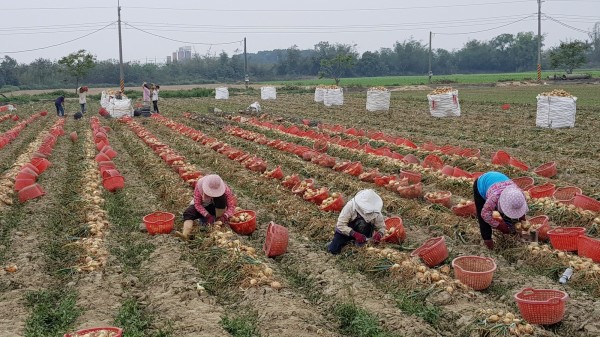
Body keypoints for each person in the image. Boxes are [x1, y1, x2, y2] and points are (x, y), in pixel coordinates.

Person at [474, 171, 529, 250]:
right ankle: (490, 247)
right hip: (481, 184)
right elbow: (484, 214)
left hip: (500, 183)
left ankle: (522, 241)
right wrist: (499, 225)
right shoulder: (494, 198)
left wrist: (523, 223)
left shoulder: (519, 194)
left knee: (512, 219)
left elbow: (521, 213)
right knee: (484, 223)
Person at [175, 174, 237, 241]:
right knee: (188, 213)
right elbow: (197, 204)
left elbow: (231, 207)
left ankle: (217, 223)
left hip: (216, 207)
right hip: (204, 206)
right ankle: (185, 235)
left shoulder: (225, 190)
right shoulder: (199, 185)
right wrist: (207, 215)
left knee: (222, 198)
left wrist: (224, 216)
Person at [327, 189, 386, 254]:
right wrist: (354, 234)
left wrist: (379, 234)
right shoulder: (350, 206)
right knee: (333, 250)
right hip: (346, 232)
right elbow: (341, 225)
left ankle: (359, 243)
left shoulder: (375, 211)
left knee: (360, 252)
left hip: (364, 234)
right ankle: (339, 242)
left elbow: (382, 227)